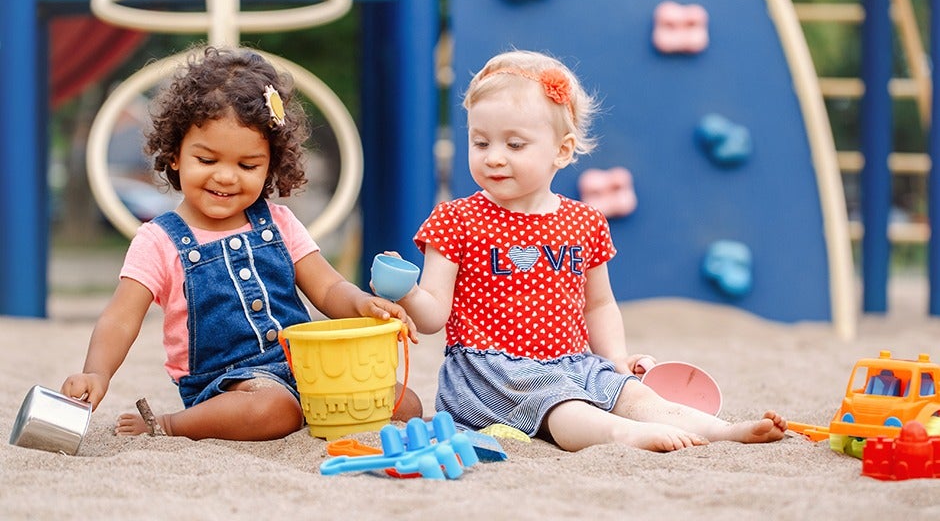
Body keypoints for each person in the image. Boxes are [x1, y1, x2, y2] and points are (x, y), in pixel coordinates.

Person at [390, 50, 786, 452]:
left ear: (562, 150)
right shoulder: (456, 219)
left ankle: (720, 430)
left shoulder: (585, 221)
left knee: (633, 394)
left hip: (574, 363)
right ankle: (621, 434)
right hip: (492, 374)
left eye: (514, 144)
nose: (494, 156)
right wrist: (406, 293)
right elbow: (434, 316)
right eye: (480, 141)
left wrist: (615, 358)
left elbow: (598, 305)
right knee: (565, 408)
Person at [61, 46, 422, 441]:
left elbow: (328, 286)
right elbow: (121, 317)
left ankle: (311, 410)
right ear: (176, 154)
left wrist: (361, 305)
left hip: (306, 368)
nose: (227, 177)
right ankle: (169, 424)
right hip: (228, 387)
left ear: (271, 164)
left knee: (405, 403)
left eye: (247, 165)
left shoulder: (279, 223)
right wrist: (97, 371)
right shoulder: (159, 240)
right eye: (208, 160)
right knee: (272, 409)